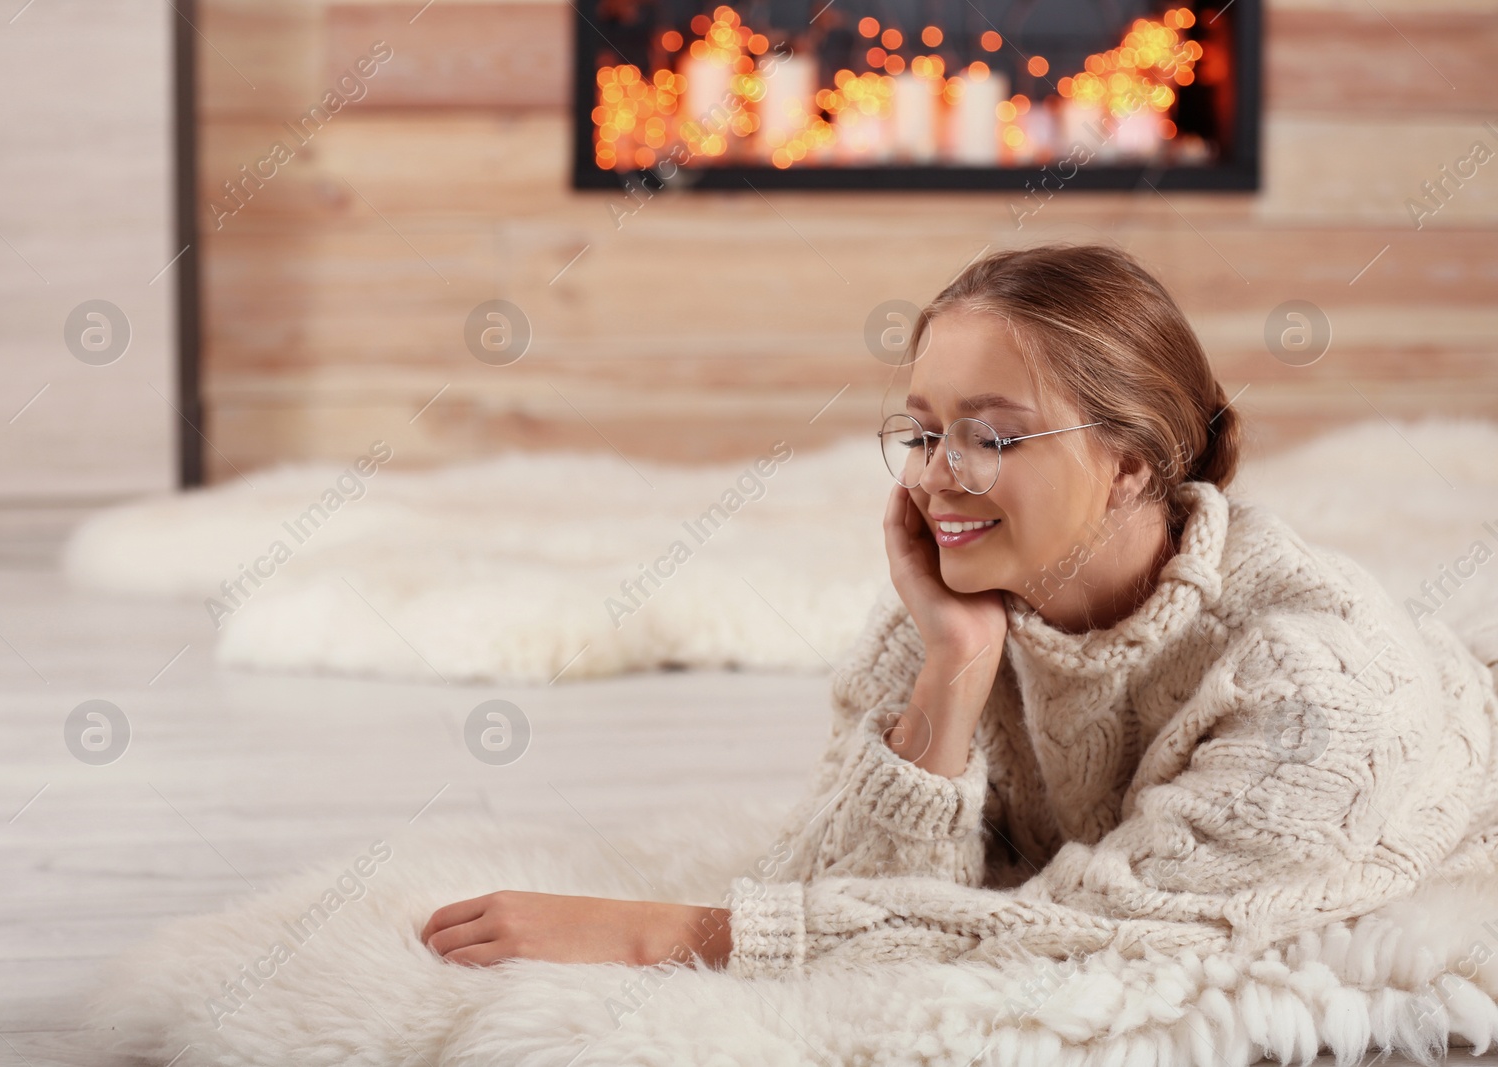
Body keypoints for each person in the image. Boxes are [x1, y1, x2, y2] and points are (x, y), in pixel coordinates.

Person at [419, 243, 1498, 981]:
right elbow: (834, 886)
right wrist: (952, 669)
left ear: (1131, 462)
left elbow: (1104, 941)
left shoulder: (1316, 686)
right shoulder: (957, 608)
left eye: (990, 433)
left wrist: (674, 934)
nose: (938, 474)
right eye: (924, 429)